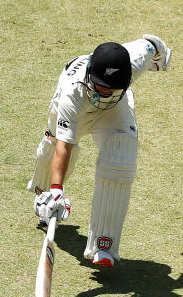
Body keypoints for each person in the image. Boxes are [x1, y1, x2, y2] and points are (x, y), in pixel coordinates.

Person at [28, 35, 172, 266]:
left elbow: (154, 45)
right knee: (57, 143)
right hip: (78, 107)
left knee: (120, 157)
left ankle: (104, 244)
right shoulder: (71, 91)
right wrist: (57, 189)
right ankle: (44, 196)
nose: (104, 93)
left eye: (111, 89)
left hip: (114, 112)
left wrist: (161, 59)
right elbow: (65, 147)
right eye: (100, 87)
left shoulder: (134, 61)